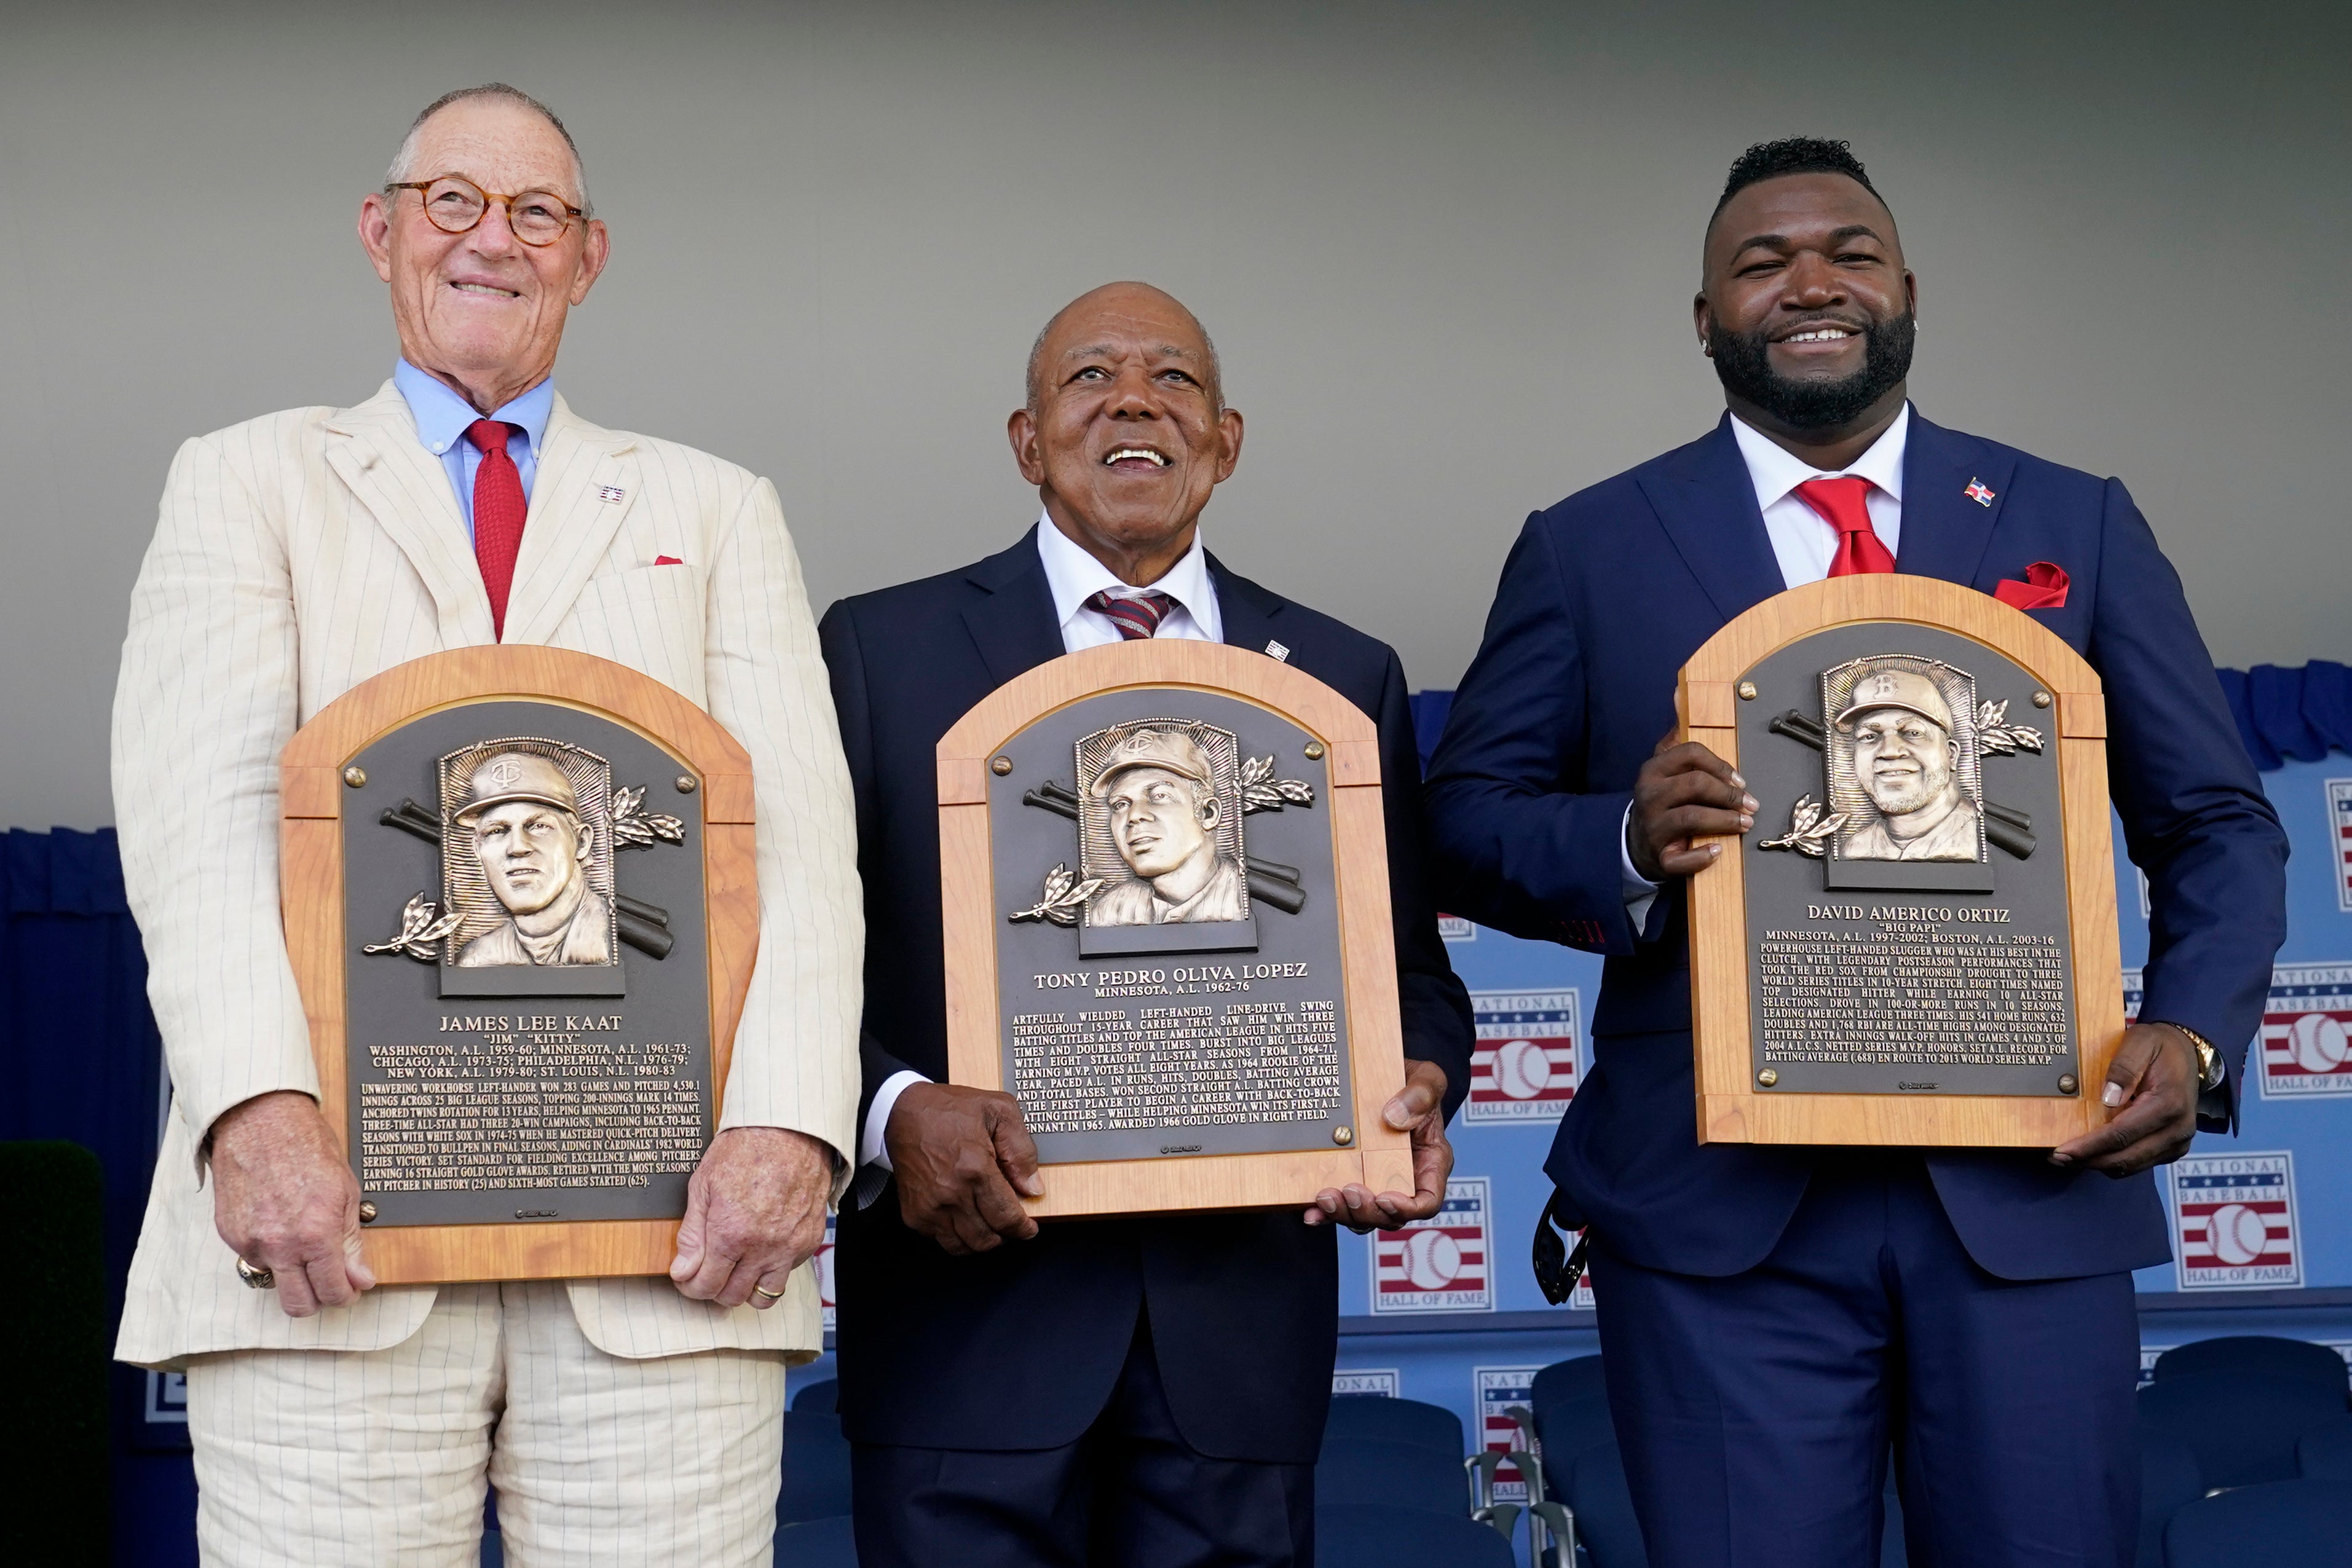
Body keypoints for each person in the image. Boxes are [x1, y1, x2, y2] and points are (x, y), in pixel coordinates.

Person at [1425, 138, 2287, 1567]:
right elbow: (1462, 819)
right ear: (1703, 317)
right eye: (1759, 264)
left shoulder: (2068, 519)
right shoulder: (1586, 546)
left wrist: (2192, 1030)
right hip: (1718, 1226)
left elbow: (2215, 822)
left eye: (1847, 252)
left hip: (2025, 1194)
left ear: (1903, 292)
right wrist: (1626, 839)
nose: (1808, 284)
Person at [111, 84, 861, 1566]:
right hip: (333, 1246)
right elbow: (196, 828)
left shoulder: (715, 509)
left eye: (537, 213)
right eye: (453, 201)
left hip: (666, 1257)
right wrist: (255, 1117)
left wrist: (788, 1127)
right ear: (382, 233)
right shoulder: (244, 480)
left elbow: (796, 855)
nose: (492, 241)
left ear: (587, 258)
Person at [819, 281, 1475, 1567]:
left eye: (1171, 379)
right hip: (965, 1334)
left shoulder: (1342, 676)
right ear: (1025, 440)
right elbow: (785, 966)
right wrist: (893, 1109)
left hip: (1233, 1349)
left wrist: (1413, 1078)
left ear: (1223, 443)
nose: (1132, 399)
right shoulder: (874, 653)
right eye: (1090, 378)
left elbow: (1412, 974)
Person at [452, 750, 616, 967]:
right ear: (477, 851)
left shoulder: (608, 938)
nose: (518, 848)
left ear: (581, 842)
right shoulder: (477, 958)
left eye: (539, 826)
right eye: (497, 831)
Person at [1087, 725, 1249, 925]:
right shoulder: (1109, 912)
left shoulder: (1245, 899)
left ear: (1209, 813)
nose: (1134, 816)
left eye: (1159, 796)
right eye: (1120, 805)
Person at [1834, 667, 1980, 861]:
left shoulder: (1976, 838)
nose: (1890, 751)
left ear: (1951, 754)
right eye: (1869, 736)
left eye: (1912, 733)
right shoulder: (1853, 848)